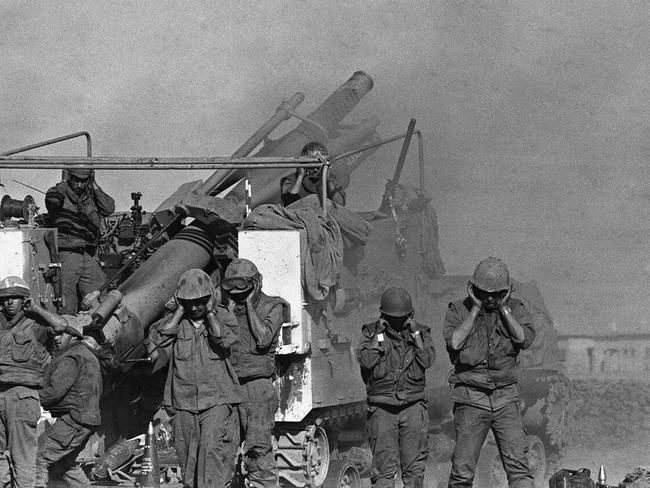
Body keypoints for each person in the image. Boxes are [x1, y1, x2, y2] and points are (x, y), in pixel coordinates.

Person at [443, 257, 536, 488]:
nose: (491, 298)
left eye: (498, 293)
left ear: (507, 292)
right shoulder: (458, 310)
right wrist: (474, 310)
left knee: (519, 470)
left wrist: (505, 308)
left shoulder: (517, 309)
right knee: (462, 473)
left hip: (505, 398)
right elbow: (454, 343)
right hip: (471, 398)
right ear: (473, 289)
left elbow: (524, 339)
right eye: (485, 293)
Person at [148, 269, 241, 488]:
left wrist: (210, 314)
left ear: (209, 298)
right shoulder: (175, 322)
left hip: (217, 400)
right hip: (184, 402)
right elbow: (159, 342)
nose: (194, 307)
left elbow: (224, 340)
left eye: (200, 302)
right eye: (189, 303)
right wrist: (179, 312)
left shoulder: (223, 316)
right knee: (187, 458)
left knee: (211, 451)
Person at [357, 287, 435, 488]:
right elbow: (366, 361)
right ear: (383, 315)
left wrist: (415, 333)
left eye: (402, 317)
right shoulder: (371, 332)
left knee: (414, 472)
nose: (397, 321)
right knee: (383, 472)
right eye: (392, 317)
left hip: (413, 406)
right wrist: (378, 334)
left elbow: (427, 360)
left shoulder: (421, 333)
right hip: (382, 409)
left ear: (410, 315)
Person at [222, 258, 287, 488]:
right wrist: (228, 310)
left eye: (242, 286)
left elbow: (263, 339)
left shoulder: (273, 306)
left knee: (257, 453)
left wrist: (249, 305)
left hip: (257, 389)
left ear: (256, 283)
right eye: (230, 287)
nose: (236, 292)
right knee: (223, 451)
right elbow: (219, 342)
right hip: (228, 387)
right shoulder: (225, 307)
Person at [0, 276, 59, 487]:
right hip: (0, 394)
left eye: (15, 298)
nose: (9, 302)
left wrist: (37, 309)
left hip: (23, 396)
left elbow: (62, 326)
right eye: (6, 298)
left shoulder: (37, 323)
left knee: (23, 456)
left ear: (24, 300)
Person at [35, 315, 102, 488]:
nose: (56, 339)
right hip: (85, 419)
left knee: (39, 456)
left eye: (62, 334)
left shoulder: (71, 358)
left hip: (74, 420)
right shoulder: (85, 354)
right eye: (54, 335)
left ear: (74, 336)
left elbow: (54, 393)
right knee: (63, 463)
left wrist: (30, 398)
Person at [45, 168, 115, 314]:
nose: (79, 185)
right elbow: (52, 201)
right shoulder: (59, 191)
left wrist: (94, 186)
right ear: (69, 177)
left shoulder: (91, 193)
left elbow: (108, 208)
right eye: (76, 179)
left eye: (84, 181)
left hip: (89, 254)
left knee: (98, 296)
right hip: (68, 255)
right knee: (66, 300)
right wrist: (63, 186)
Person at [280, 141, 347, 207]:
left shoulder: (330, 180)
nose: (315, 169)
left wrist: (328, 179)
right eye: (312, 166)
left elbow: (340, 204)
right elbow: (289, 203)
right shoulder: (292, 179)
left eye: (318, 166)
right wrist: (300, 176)